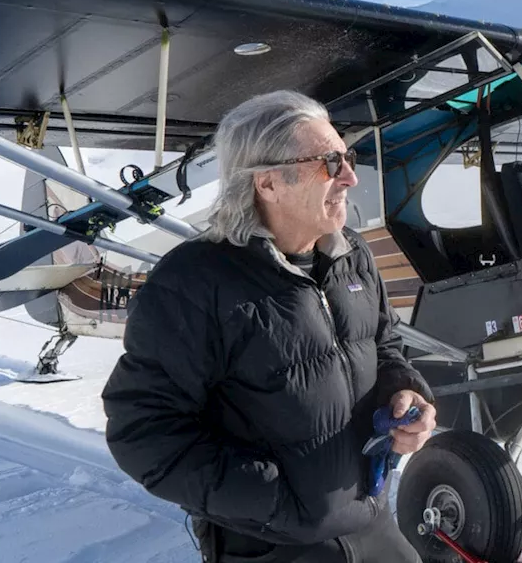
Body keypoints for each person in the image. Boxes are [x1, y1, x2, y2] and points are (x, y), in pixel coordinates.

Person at [101, 90, 437, 562]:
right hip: (270, 546)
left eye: (347, 157)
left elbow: (384, 345)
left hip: (372, 525)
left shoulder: (351, 255)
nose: (350, 177)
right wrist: (274, 501)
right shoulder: (193, 282)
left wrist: (407, 393)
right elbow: (141, 431)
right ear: (268, 183)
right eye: (329, 162)